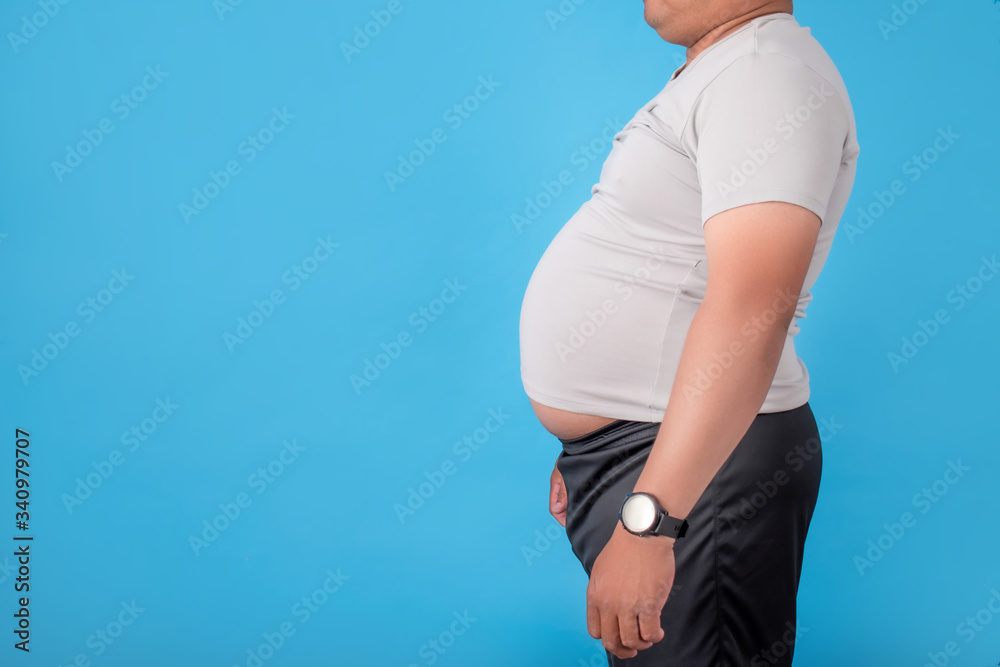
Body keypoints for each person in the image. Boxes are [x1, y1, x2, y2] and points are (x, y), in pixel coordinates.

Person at [517, 1, 860, 665]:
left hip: (698, 475)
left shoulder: (766, 74)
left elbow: (753, 307)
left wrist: (653, 517)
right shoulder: (728, 69)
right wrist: (590, 437)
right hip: (655, 451)